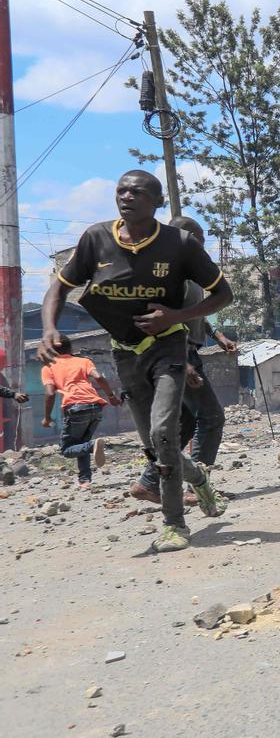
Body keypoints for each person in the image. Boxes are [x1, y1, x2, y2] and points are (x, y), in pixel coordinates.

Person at [39, 170, 230, 552]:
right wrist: (48, 329)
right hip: (125, 351)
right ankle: (201, 480)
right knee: (154, 446)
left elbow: (222, 294)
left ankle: (175, 524)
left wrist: (173, 317)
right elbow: (60, 285)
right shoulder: (96, 238)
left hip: (170, 347)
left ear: (157, 202)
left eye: (137, 192)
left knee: (164, 432)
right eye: (121, 190)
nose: (126, 197)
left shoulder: (180, 244)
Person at [130, 217, 238, 504]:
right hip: (177, 353)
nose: (203, 245)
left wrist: (218, 335)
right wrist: (180, 358)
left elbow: (194, 313)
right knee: (212, 417)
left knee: (185, 423)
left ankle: (150, 482)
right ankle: (195, 488)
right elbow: (157, 319)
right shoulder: (167, 271)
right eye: (200, 238)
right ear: (186, 237)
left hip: (187, 349)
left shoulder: (189, 272)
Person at [40, 335, 120, 488]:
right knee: (81, 443)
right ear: (71, 348)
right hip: (95, 407)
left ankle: (92, 447)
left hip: (76, 408)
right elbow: (99, 377)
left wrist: (47, 418)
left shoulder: (48, 367)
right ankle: (85, 481)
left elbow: (50, 394)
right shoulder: (83, 361)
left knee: (66, 449)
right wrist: (111, 396)